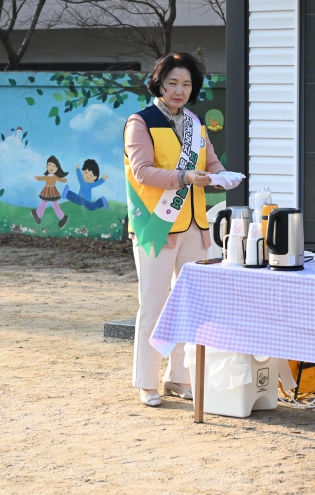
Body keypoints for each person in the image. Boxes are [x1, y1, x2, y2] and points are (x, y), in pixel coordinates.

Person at [124, 52, 243, 408]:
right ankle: (146, 382)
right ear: (158, 82)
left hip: (195, 226)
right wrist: (183, 177)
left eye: (187, 84)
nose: (179, 90)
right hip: (156, 225)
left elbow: (209, 162)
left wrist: (221, 178)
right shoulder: (139, 122)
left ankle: (179, 377)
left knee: (189, 305)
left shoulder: (194, 123)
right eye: (173, 83)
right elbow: (142, 171)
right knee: (155, 305)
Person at [31, 156, 68, 228]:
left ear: (57, 168)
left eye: (53, 166)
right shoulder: (47, 176)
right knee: (43, 203)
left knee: (55, 205)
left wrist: (64, 180)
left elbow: (60, 179)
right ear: (47, 166)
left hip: (53, 191)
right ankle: (38, 216)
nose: (51, 167)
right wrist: (37, 178)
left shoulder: (54, 176)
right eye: (49, 165)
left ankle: (62, 218)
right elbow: (42, 178)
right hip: (46, 191)